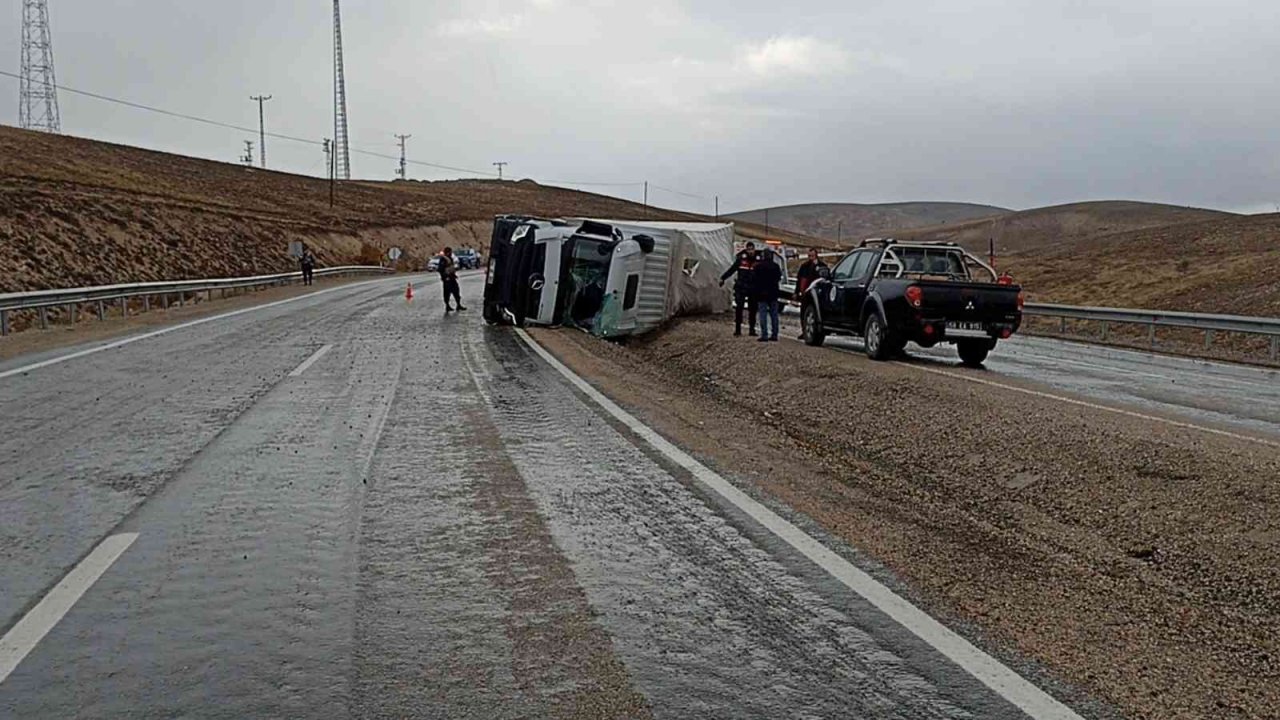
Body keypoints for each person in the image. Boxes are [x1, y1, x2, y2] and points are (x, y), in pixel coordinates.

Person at [719, 242, 758, 336]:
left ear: (754, 249)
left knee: (753, 309)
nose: (750, 251)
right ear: (746, 250)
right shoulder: (741, 259)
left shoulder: (758, 260)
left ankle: (752, 329)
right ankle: (737, 329)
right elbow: (732, 269)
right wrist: (723, 278)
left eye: (752, 249)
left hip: (753, 288)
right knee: (739, 308)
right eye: (749, 249)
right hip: (741, 286)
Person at [752, 248, 783, 342]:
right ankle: (775, 334)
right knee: (774, 315)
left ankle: (764, 334)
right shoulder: (776, 266)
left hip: (761, 293)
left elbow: (754, 279)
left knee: (763, 314)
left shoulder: (758, 266)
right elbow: (779, 277)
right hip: (773, 293)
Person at [437, 247, 466, 312]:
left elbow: (451, 267)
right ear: (448, 252)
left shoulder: (450, 258)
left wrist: (454, 274)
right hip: (447, 279)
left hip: (452, 278)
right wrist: (445, 277)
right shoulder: (443, 259)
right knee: (447, 293)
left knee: (456, 291)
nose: (451, 253)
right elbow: (440, 269)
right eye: (450, 252)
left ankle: (458, 305)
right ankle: (447, 306)